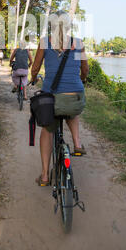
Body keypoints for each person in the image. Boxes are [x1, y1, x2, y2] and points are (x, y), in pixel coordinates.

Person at [31, 11, 89, 186]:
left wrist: (33, 79)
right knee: (72, 107)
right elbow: (84, 69)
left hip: (51, 99)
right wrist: (82, 80)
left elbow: (35, 68)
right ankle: (77, 144)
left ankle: (44, 176)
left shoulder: (44, 43)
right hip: (75, 97)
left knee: (47, 131)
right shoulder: (78, 43)